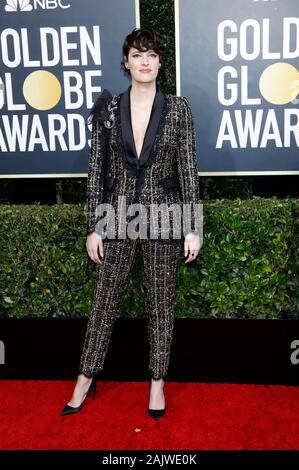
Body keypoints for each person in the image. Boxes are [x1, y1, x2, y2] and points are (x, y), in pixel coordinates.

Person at [60, 27, 201, 419]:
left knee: (160, 304)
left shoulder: (178, 109)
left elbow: (188, 168)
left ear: (160, 63)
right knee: (103, 304)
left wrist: (192, 226)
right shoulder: (107, 109)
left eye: (152, 55)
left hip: (164, 216)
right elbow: (96, 170)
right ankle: (85, 379)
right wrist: (94, 225)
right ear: (126, 62)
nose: (144, 62)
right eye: (138, 55)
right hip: (117, 215)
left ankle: (157, 384)